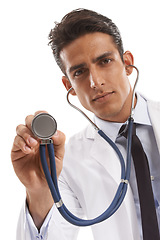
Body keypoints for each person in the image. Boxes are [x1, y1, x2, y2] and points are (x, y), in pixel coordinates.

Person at [11, 8, 160, 240]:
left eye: (105, 61)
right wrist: (39, 190)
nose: (95, 82)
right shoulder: (66, 161)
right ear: (67, 84)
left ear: (128, 63)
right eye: (80, 72)